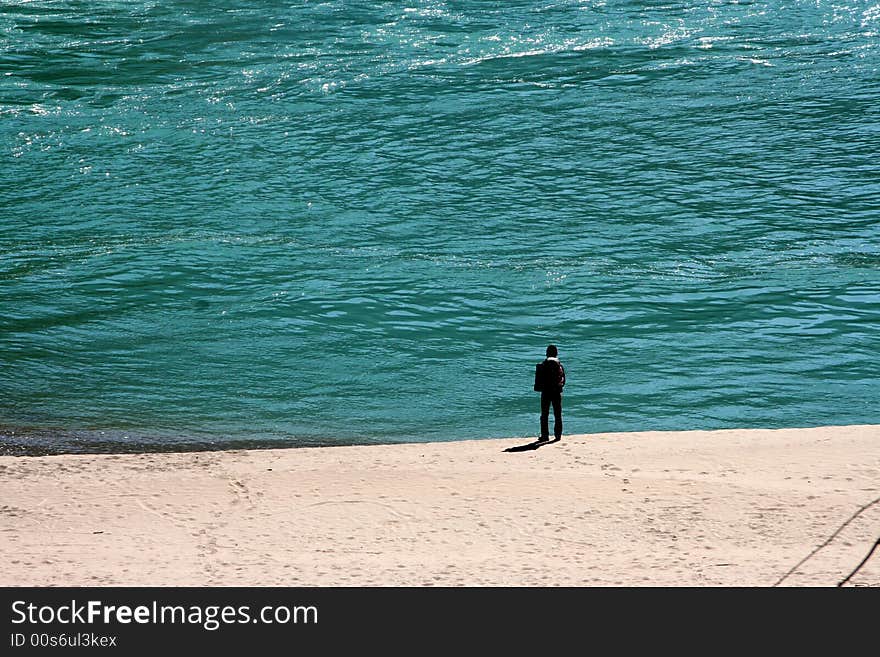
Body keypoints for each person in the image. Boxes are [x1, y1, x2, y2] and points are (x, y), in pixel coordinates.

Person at [534, 344, 565, 442]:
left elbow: (539, 379)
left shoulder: (544, 364)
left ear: (547, 353)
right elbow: (563, 380)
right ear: (556, 353)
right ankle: (558, 435)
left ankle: (545, 436)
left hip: (546, 392)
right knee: (558, 414)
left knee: (544, 415)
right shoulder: (559, 365)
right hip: (556, 392)